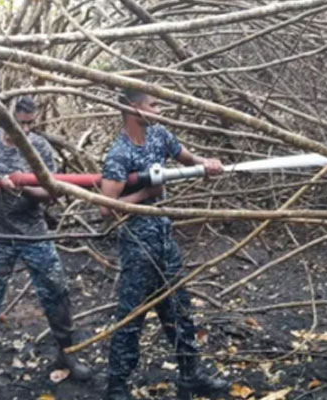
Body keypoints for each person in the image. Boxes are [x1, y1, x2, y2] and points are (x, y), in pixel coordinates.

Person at [0, 96, 91, 391]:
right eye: (21, 123)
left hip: (33, 232)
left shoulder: (38, 147)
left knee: (56, 290)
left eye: (31, 123)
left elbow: (52, 192)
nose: (26, 130)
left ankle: (67, 355)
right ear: (5, 119)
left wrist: (24, 187)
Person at [100, 89, 229, 400]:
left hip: (164, 239)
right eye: (153, 104)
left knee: (179, 311)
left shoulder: (160, 135)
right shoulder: (120, 153)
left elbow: (187, 159)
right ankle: (117, 387)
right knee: (132, 317)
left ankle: (191, 376)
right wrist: (147, 194)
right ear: (133, 109)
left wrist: (206, 165)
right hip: (137, 246)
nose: (159, 109)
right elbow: (106, 208)